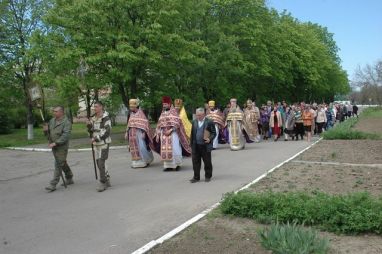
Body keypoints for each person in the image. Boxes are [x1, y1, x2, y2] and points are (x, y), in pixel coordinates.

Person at [154, 96, 191, 171]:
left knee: (175, 149)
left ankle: (176, 165)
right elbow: (159, 124)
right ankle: (167, 166)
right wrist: (158, 131)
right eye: (163, 104)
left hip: (173, 134)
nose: (164, 106)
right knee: (165, 150)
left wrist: (170, 130)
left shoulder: (174, 112)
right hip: (164, 135)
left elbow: (177, 124)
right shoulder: (162, 113)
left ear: (169, 104)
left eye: (166, 104)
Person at [44, 106, 73, 192]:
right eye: (53, 111)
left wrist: (56, 143)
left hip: (62, 146)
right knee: (62, 162)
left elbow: (66, 136)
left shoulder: (66, 122)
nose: (54, 113)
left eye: (56, 111)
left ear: (61, 112)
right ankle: (69, 177)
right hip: (53, 145)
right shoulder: (52, 121)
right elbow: (48, 133)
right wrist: (45, 130)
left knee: (58, 163)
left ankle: (53, 184)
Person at [86, 101, 112, 192]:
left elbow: (107, 132)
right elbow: (91, 131)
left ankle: (103, 182)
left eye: (96, 106)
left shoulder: (106, 118)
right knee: (100, 164)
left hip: (104, 143)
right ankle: (107, 178)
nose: (94, 108)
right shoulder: (93, 118)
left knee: (101, 163)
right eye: (94, 107)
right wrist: (89, 125)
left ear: (101, 107)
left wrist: (96, 138)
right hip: (96, 144)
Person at [190, 108, 217, 183]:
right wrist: (191, 145)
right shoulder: (194, 122)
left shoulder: (209, 122)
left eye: (199, 115)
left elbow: (214, 133)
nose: (197, 116)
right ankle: (196, 177)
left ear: (203, 114)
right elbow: (192, 134)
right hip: (196, 145)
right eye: (197, 115)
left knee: (207, 162)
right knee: (195, 162)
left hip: (205, 145)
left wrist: (209, 138)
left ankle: (208, 176)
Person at [125, 99, 154, 168]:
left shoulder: (141, 113)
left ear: (136, 106)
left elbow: (145, 123)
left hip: (139, 133)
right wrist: (126, 132)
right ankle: (136, 162)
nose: (131, 108)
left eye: (132, 107)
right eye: (130, 107)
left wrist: (144, 133)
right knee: (134, 148)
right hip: (132, 133)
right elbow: (129, 123)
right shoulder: (130, 114)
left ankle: (145, 161)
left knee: (142, 147)